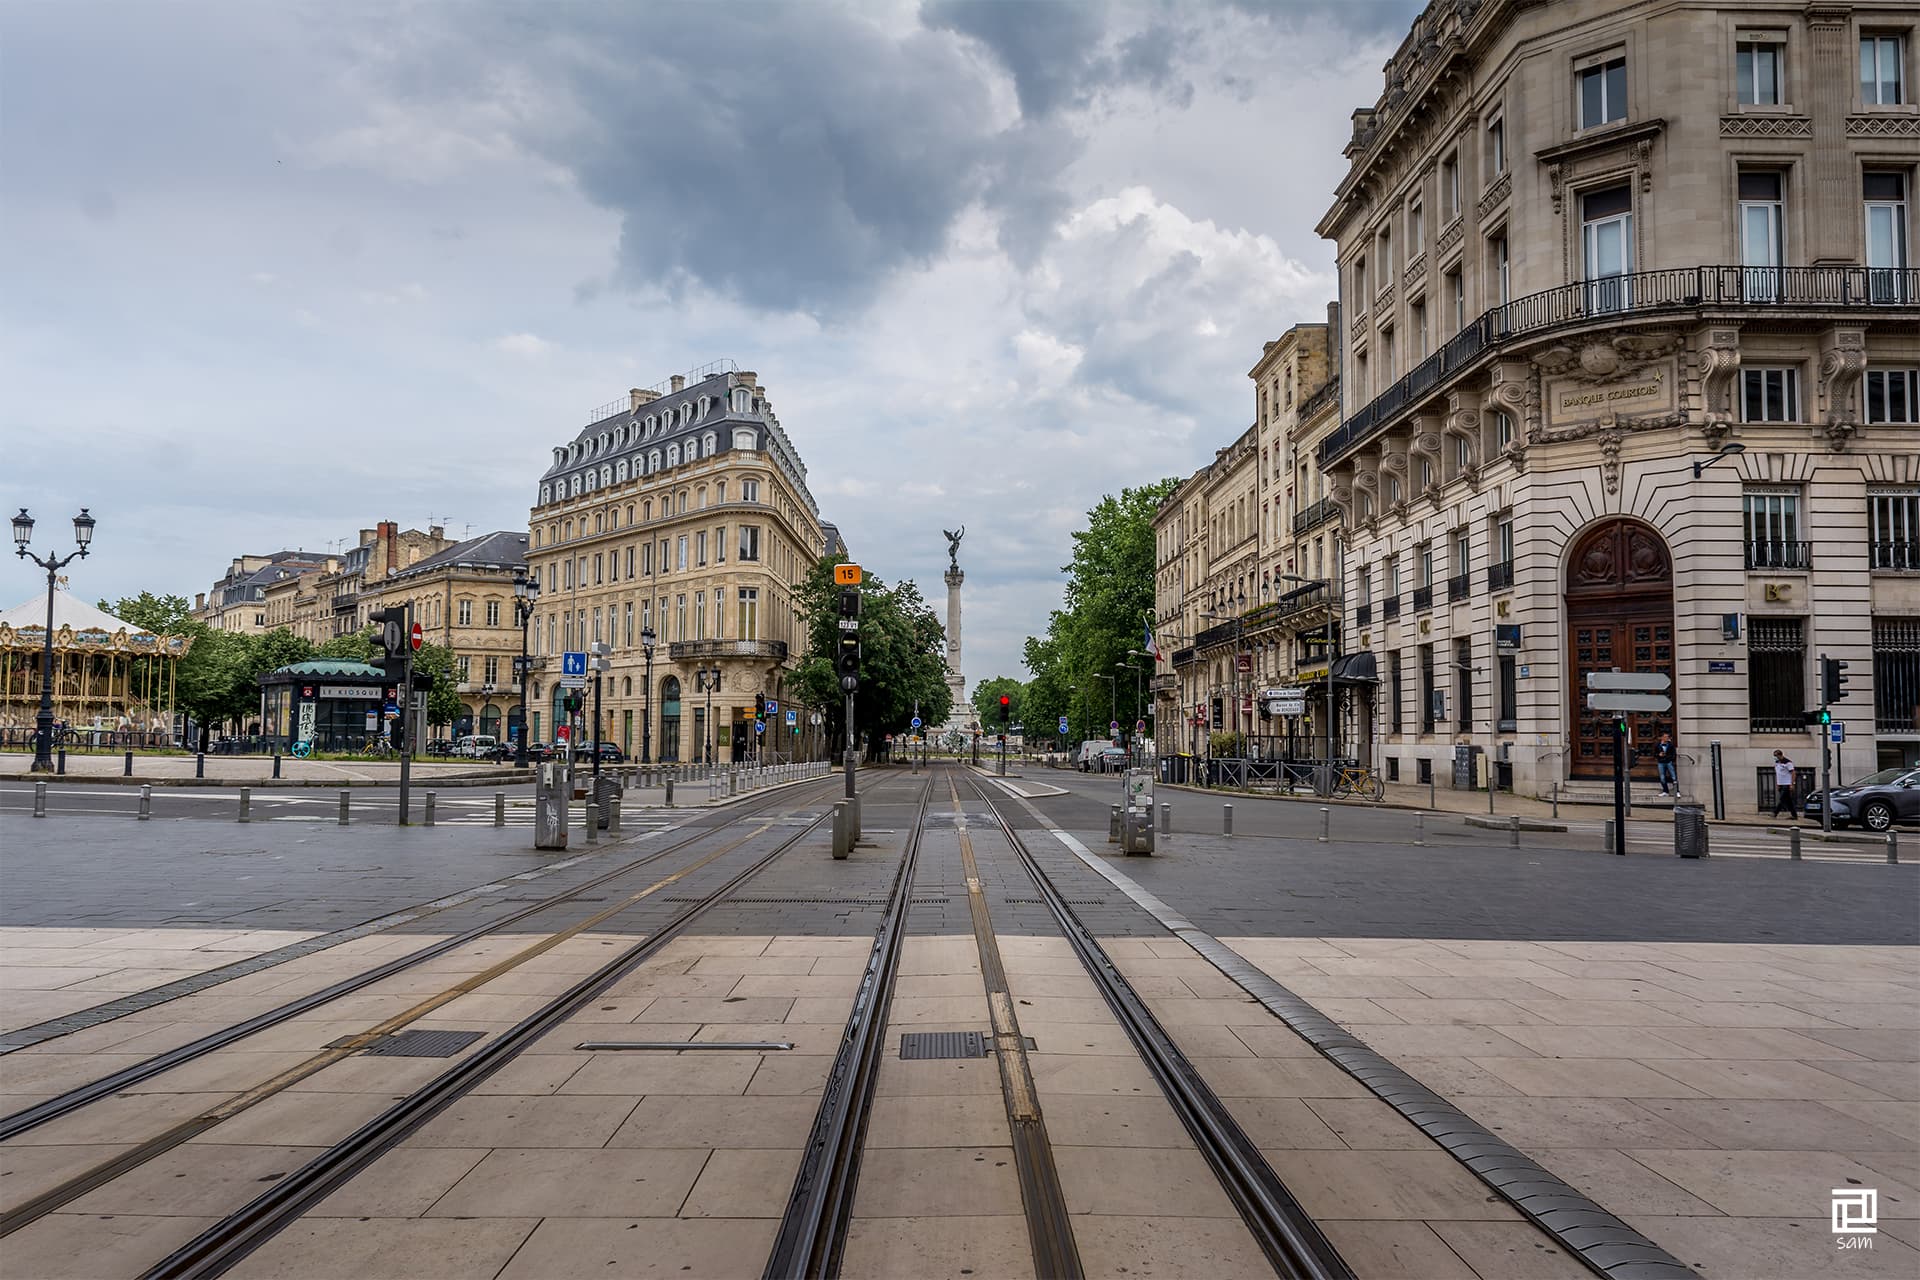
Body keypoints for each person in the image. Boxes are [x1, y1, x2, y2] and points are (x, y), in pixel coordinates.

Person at [1770, 750, 1799, 818]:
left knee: (1782, 799)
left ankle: (1775, 813)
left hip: (1787, 784)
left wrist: (1792, 784)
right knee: (1788, 801)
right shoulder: (1777, 763)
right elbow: (1778, 774)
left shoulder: (1787, 762)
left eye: (1776, 756)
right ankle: (1794, 815)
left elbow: (1793, 773)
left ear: (1780, 755)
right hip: (1781, 784)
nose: (1775, 757)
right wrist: (1777, 784)